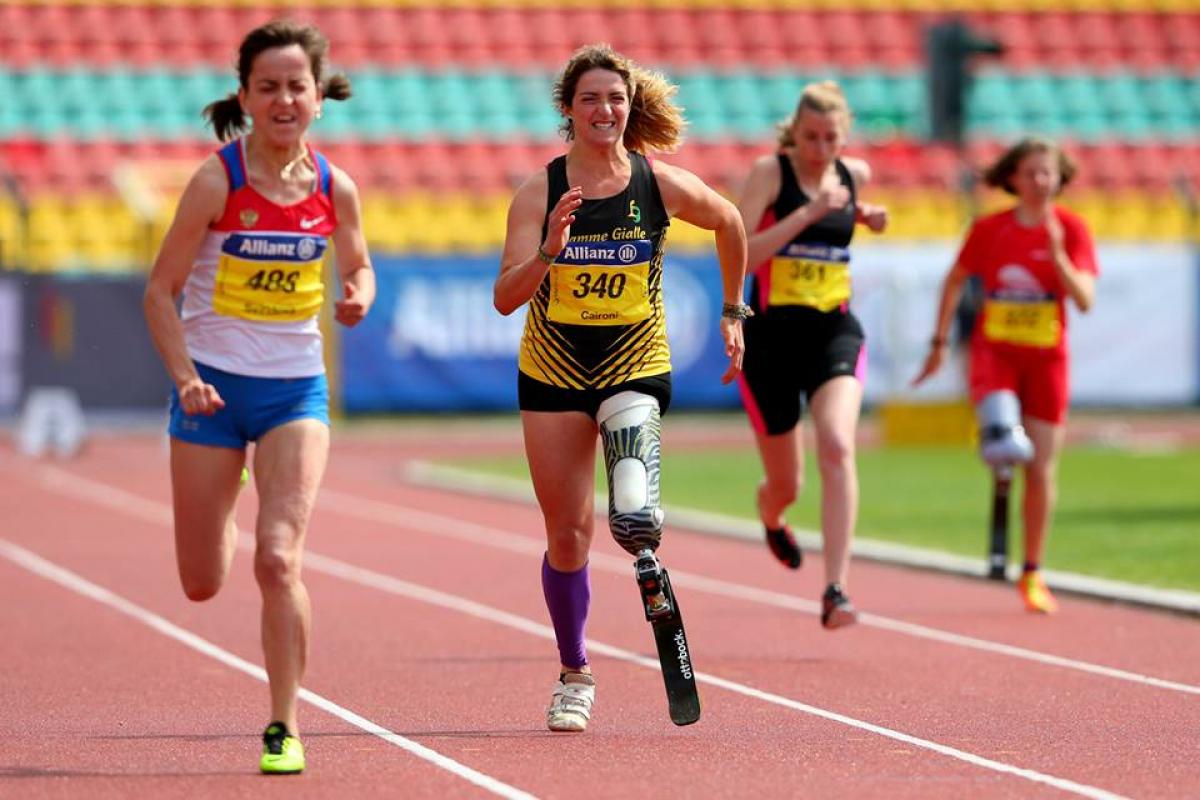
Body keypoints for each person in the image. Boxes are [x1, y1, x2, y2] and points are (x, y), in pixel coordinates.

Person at [493, 43, 749, 733]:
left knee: (632, 511)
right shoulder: (538, 192)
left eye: (615, 98)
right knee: (568, 535)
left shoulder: (656, 184)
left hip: (633, 361)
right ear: (568, 111)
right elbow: (504, 299)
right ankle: (575, 672)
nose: (604, 109)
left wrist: (733, 310)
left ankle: (645, 558)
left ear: (628, 107)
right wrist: (550, 246)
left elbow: (730, 221)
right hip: (551, 370)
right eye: (590, 99)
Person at [142, 20, 374, 773]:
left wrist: (357, 295)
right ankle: (231, 477)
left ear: (318, 97)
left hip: (294, 394)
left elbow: (362, 267)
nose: (283, 99)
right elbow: (160, 291)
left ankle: (283, 725)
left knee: (279, 560)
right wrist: (185, 378)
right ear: (245, 95)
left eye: (295, 86)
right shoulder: (218, 181)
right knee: (202, 582)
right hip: (211, 394)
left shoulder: (337, 188)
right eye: (267, 86)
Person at [913, 136, 1098, 614]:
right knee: (1005, 445)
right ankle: (998, 442)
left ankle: (1032, 572)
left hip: (1047, 360)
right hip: (996, 355)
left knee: (1039, 468)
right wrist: (938, 343)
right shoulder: (991, 229)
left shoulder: (1073, 229)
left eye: (1048, 173)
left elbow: (1085, 299)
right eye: (1031, 172)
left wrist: (1057, 256)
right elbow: (954, 279)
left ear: (1060, 178)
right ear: (1013, 178)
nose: (1040, 181)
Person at [734, 81, 887, 630]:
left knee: (838, 444)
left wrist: (863, 216)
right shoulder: (769, 173)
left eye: (831, 139)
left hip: (833, 333)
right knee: (787, 486)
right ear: (793, 134)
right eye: (811, 137)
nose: (822, 149)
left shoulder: (855, 175)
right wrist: (808, 213)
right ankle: (770, 513)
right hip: (771, 341)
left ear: (845, 137)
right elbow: (742, 254)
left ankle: (836, 588)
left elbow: (838, 228)